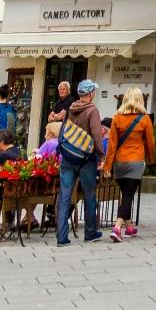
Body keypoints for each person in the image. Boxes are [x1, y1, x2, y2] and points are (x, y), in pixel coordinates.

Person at [55, 81, 108, 247]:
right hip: (86, 159)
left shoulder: (71, 108)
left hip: (68, 157)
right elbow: (97, 134)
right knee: (89, 195)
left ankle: (62, 237)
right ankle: (90, 232)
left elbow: (63, 130)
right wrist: (102, 156)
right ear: (91, 93)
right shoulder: (92, 110)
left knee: (64, 196)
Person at [105, 88, 156, 241]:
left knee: (125, 194)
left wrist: (108, 166)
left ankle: (129, 227)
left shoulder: (117, 118)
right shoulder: (145, 119)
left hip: (120, 162)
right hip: (136, 160)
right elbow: (150, 142)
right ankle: (117, 227)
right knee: (128, 195)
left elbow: (112, 144)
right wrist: (152, 159)